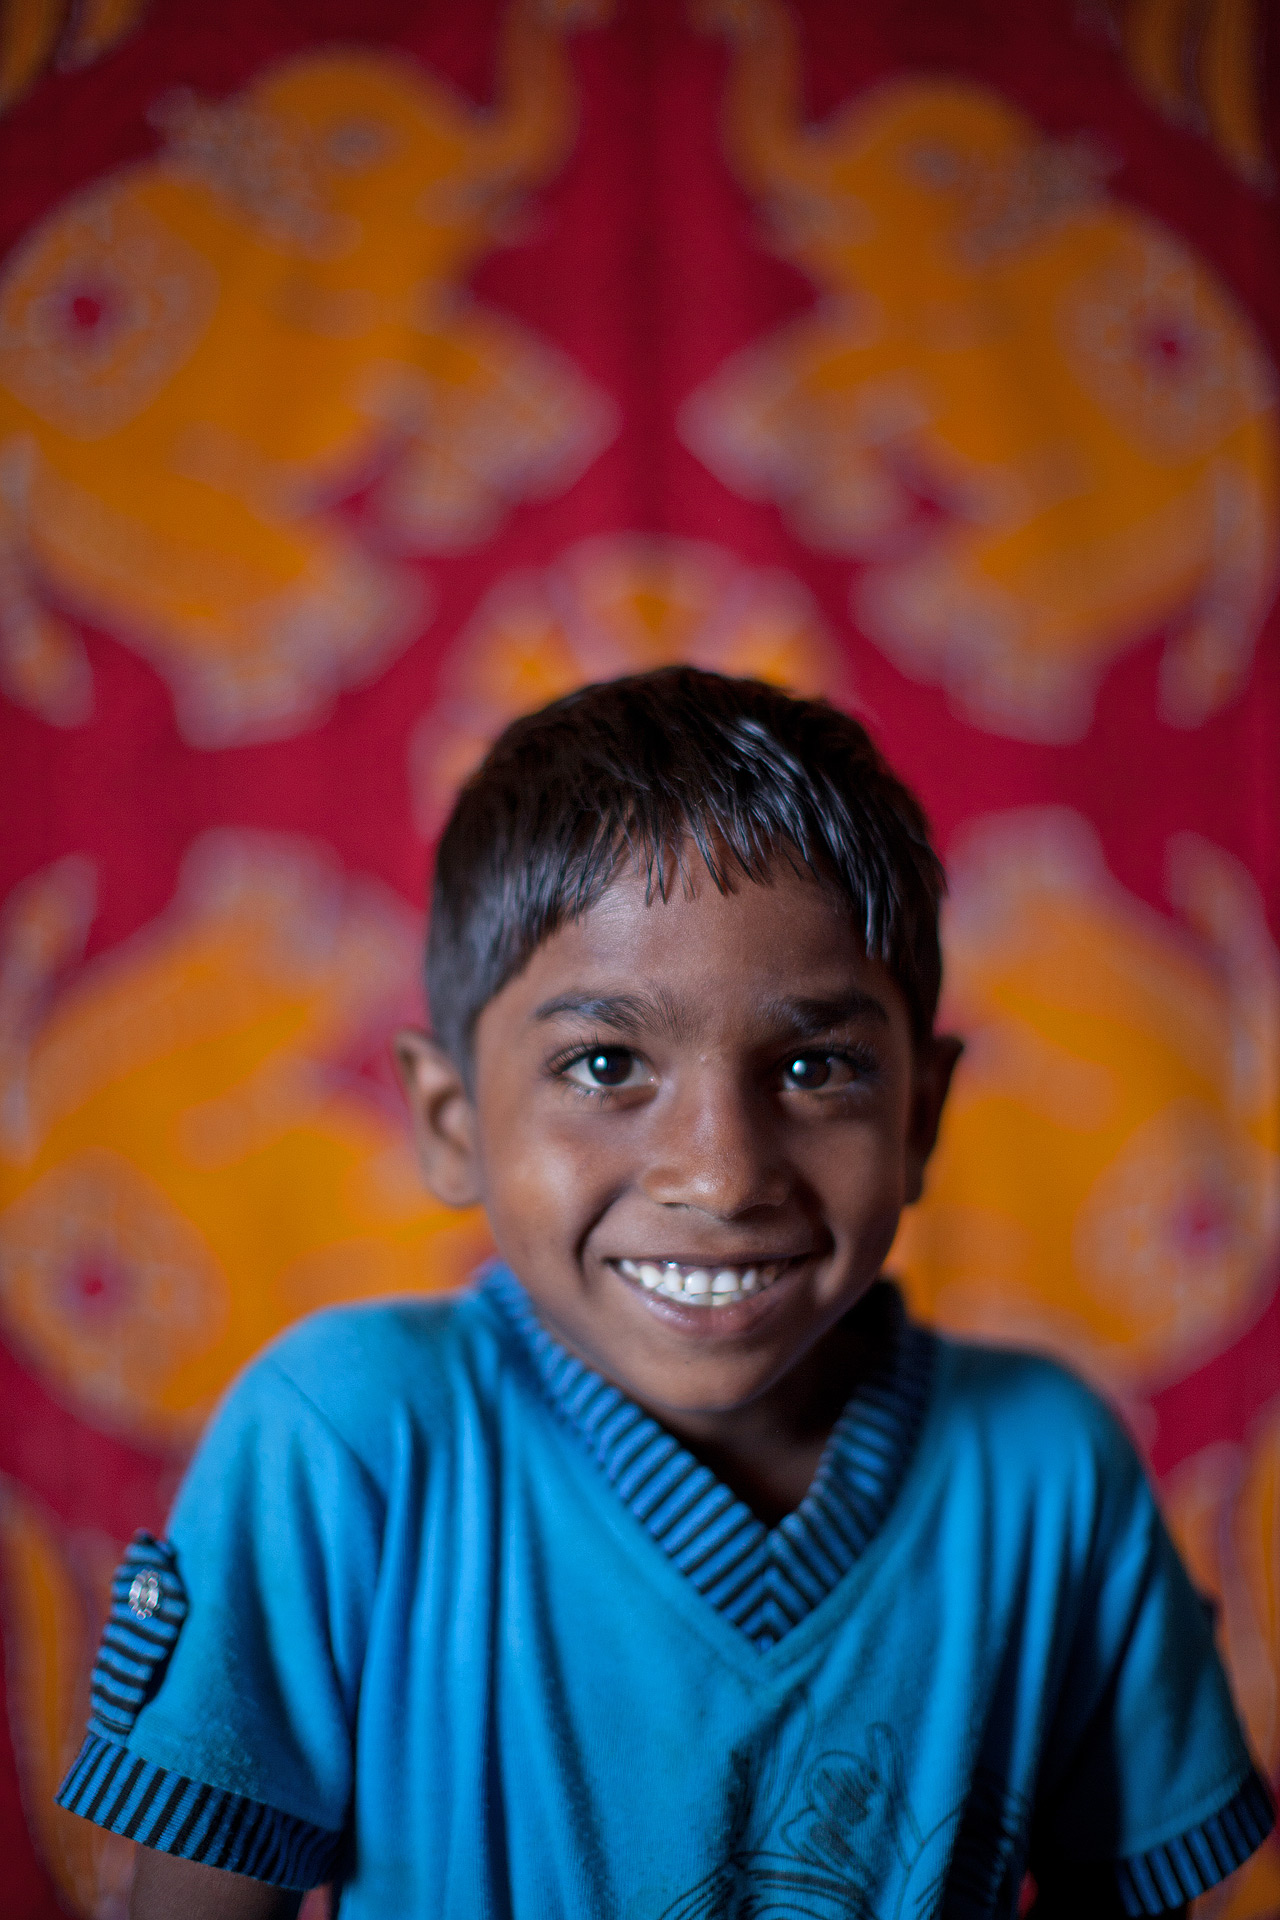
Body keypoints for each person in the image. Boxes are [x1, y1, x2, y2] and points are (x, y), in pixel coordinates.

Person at [59, 669, 1273, 1919]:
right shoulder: (345, 1444)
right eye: (603, 1065)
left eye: (814, 1067)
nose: (722, 1175)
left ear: (918, 1115)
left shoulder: (1047, 1474)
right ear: (450, 1120)